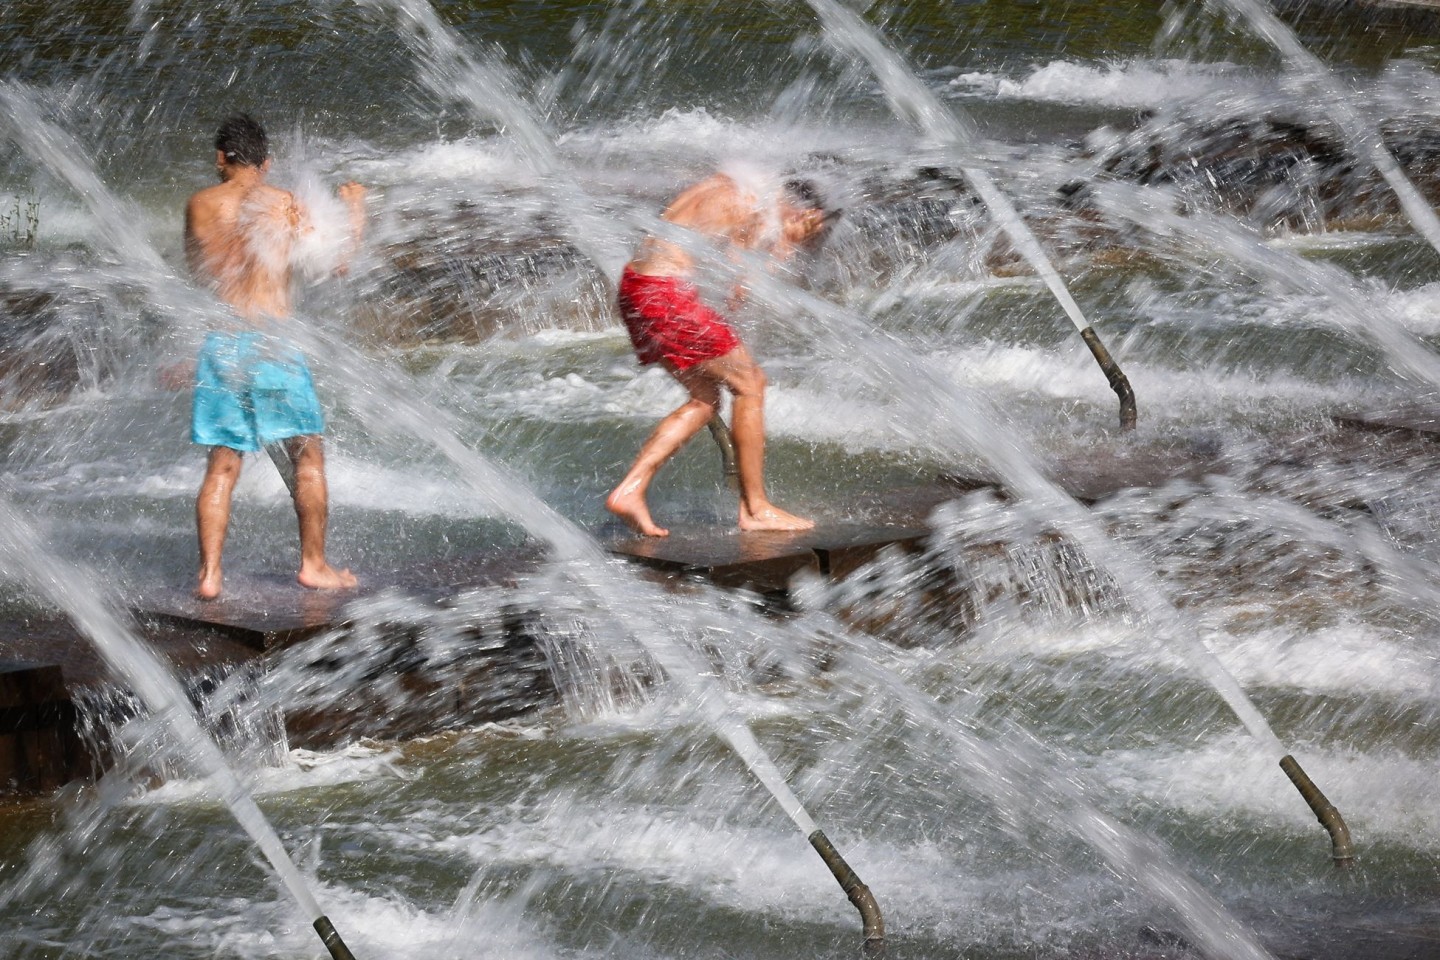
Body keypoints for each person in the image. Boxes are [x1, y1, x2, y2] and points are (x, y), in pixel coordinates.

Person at [183, 113, 364, 599]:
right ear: (266, 162)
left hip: (222, 343)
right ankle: (314, 565)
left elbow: (199, 274)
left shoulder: (198, 205)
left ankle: (210, 576)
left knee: (221, 465)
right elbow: (337, 264)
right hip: (273, 343)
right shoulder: (282, 203)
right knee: (306, 457)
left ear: (221, 158)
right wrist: (355, 210)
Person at [606, 171, 835, 537]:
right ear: (795, 211)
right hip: (665, 296)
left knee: (706, 397)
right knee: (751, 383)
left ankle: (629, 491)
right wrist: (787, 246)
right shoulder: (751, 203)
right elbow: (748, 283)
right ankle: (756, 509)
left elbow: (735, 275)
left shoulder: (726, 183)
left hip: (637, 289)